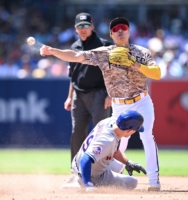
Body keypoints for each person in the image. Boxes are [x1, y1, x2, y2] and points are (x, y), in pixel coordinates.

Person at [40, 17, 161, 191]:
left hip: (141, 101)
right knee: (116, 141)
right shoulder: (104, 53)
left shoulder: (141, 52)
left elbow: (157, 74)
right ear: (111, 34)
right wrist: (53, 51)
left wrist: (135, 64)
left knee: (147, 136)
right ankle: (95, 176)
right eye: (116, 29)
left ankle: (154, 182)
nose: (120, 30)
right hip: (119, 105)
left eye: (123, 27)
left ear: (128, 31)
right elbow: (76, 56)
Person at [63, 13, 112, 163]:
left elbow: (111, 73)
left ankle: (102, 169)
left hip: (99, 93)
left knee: (101, 133)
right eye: (80, 26)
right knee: (77, 132)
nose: (83, 29)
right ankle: (75, 170)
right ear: (75, 29)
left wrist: (110, 94)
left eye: (86, 25)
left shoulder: (104, 45)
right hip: (79, 95)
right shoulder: (74, 47)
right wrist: (70, 96)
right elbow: (73, 76)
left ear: (92, 26)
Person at [71, 110, 146, 191]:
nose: (134, 132)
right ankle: (86, 182)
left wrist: (128, 162)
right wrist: (88, 185)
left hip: (77, 161)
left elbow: (114, 151)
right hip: (88, 173)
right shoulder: (107, 140)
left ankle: (82, 179)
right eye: (135, 130)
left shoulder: (109, 121)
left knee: (119, 166)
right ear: (129, 130)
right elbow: (85, 159)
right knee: (132, 182)